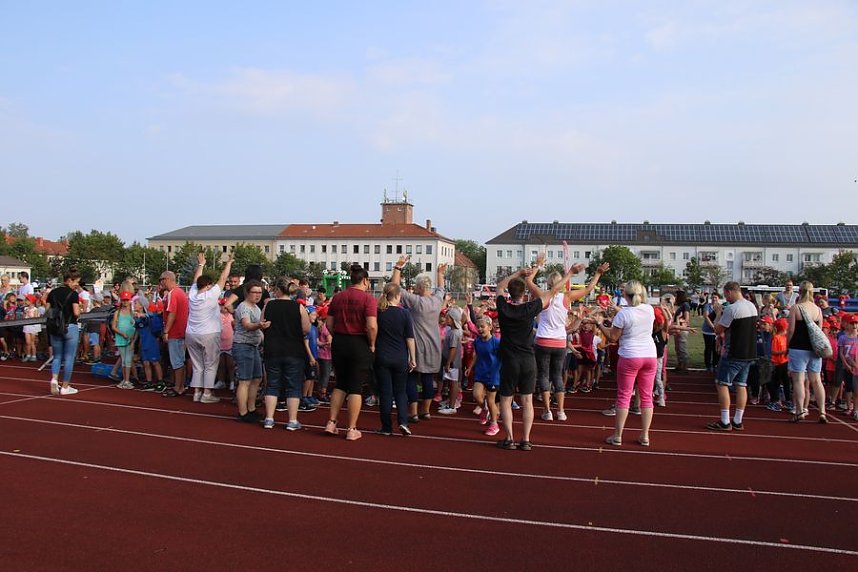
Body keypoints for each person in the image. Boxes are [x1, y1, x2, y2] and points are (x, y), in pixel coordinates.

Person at [494, 262, 578, 451]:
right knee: (527, 401)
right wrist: (570, 273)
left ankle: (509, 438)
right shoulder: (531, 307)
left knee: (506, 400)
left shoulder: (503, 307)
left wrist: (519, 272)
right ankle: (526, 439)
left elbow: (500, 286)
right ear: (524, 293)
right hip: (528, 359)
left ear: (510, 292)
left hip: (509, 359)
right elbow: (554, 291)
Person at [530, 256, 608, 422]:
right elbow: (588, 289)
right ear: (562, 283)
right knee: (557, 375)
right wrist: (598, 274)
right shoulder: (567, 297)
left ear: (549, 283)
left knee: (544, 376)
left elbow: (528, 281)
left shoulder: (543, 295)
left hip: (543, 340)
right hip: (559, 341)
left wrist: (537, 265)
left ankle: (547, 410)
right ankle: (561, 411)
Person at [595, 281, 657, 446]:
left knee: (624, 395)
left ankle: (618, 435)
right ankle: (645, 435)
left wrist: (600, 325)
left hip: (630, 355)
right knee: (646, 396)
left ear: (624, 295)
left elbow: (613, 337)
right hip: (649, 355)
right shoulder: (649, 309)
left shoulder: (623, 314)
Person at [389, 255, 447, 422]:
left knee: (411, 378)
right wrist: (440, 274)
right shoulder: (437, 300)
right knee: (428, 379)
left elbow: (395, 287)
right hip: (434, 345)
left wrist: (398, 268)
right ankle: (426, 411)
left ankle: (413, 412)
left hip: (417, 345)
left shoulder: (415, 301)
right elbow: (441, 288)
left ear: (420, 287)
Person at [324, 264, 377, 441]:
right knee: (355, 387)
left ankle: (331, 422)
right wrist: (372, 344)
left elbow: (329, 324)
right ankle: (351, 428)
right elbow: (371, 325)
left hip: (339, 341)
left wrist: (336, 336)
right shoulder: (368, 299)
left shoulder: (338, 297)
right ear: (365, 280)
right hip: (358, 342)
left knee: (340, 384)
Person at [705, 282, 759, 431]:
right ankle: (737, 420)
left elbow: (717, 329)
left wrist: (717, 313)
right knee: (741, 385)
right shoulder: (752, 306)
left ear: (730, 292)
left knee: (722, 383)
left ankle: (724, 421)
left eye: (726, 294)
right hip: (749, 352)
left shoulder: (732, 309)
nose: (726, 298)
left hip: (733, 352)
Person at [262, 278, 311, 430]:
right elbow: (306, 329)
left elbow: (261, 324)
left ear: (277, 290)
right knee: (293, 385)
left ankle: (269, 418)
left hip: (272, 349)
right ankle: (292, 420)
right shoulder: (298, 307)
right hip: (293, 350)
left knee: (272, 384)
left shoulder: (269, 305)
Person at [186, 252, 234, 404]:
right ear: (207, 286)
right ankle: (207, 393)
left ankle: (197, 392)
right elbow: (222, 279)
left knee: (198, 365)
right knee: (211, 364)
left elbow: (195, 280)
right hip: (209, 333)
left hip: (191, 333)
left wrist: (201, 264)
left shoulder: (192, 294)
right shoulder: (211, 294)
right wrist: (229, 263)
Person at [374, 283, 416, 436]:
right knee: (400, 392)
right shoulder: (404, 314)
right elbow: (409, 338)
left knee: (385, 393)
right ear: (398, 296)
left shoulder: (379, 312)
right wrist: (413, 358)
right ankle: (403, 421)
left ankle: (386, 427)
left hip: (382, 355)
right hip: (400, 357)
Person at [787, 281, 827, 423]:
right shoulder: (818, 309)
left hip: (798, 347)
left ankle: (800, 411)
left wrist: (788, 344)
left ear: (800, 292)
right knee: (816, 381)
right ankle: (822, 411)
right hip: (814, 349)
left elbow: (791, 330)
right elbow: (820, 331)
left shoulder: (796, 308)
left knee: (798, 380)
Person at [233, 280, 268, 423]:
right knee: (245, 380)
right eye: (254, 292)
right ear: (247, 293)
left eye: (259, 292)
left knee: (256, 378)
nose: (257, 295)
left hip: (253, 346)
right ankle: (243, 412)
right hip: (243, 345)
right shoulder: (244, 307)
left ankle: (251, 408)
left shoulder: (255, 308)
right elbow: (247, 324)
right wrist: (259, 325)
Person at [47, 267, 82, 396]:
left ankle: (54, 379)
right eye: (76, 281)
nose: (77, 284)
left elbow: (48, 311)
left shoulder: (53, 293)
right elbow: (76, 312)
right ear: (69, 280)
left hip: (55, 327)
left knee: (57, 356)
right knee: (68, 358)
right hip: (70, 326)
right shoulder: (73, 294)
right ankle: (65, 386)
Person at [159, 269, 189, 398]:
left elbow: (172, 313)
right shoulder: (181, 292)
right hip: (182, 331)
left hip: (175, 332)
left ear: (166, 279)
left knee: (176, 362)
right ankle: (180, 385)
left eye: (161, 280)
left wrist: (166, 331)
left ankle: (178, 387)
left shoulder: (173, 294)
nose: (160, 283)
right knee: (180, 361)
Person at [21, 294, 41, 362]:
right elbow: (23, 317)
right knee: (27, 342)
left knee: (32, 342)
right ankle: (28, 355)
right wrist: (25, 314)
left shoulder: (36, 309)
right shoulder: (25, 308)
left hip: (33, 327)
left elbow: (35, 319)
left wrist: (29, 314)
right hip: (26, 326)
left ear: (31, 301)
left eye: (27, 300)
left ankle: (34, 355)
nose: (26, 301)